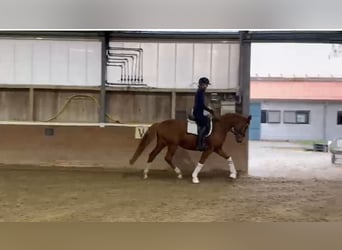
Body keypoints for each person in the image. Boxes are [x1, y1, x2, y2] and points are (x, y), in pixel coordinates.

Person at [193, 77, 214, 151]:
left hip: (199, 111)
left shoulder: (201, 92)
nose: (206, 86)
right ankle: (200, 144)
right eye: (205, 85)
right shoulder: (200, 92)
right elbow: (201, 105)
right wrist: (209, 110)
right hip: (198, 113)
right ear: (201, 84)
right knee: (205, 123)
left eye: (207, 85)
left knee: (208, 119)